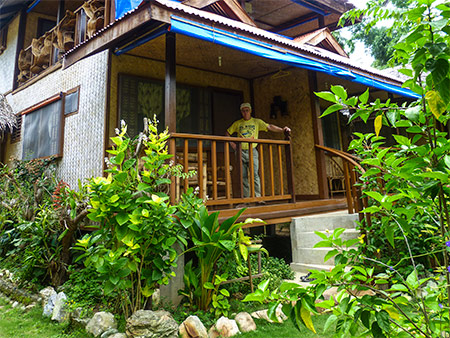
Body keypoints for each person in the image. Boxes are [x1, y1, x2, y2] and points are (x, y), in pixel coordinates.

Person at [226, 102, 291, 200]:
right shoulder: (237, 123)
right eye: (243, 111)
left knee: (255, 174)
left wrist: (282, 130)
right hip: (240, 152)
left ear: (250, 111)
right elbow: (227, 133)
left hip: (252, 150)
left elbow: (269, 126)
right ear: (241, 112)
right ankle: (246, 200)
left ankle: (258, 198)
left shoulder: (256, 122)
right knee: (242, 176)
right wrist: (233, 145)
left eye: (247, 110)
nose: (245, 113)